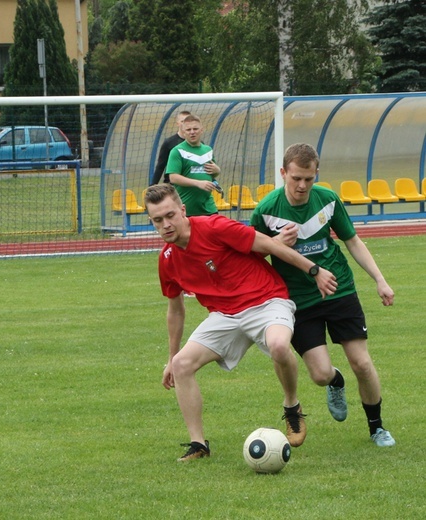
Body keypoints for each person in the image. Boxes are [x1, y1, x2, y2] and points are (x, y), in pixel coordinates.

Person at [144, 184, 338, 462]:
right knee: (182, 365)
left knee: (280, 346)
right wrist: (171, 357)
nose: (166, 224)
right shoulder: (167, 259)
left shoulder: (214, 227)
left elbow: (269, 244)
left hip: (267, 300)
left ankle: (291, 406)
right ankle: (198, 445)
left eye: (170, 215)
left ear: (183, 210)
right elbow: (175, 310)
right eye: (157, 220)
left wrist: (314, 270)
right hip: (224, 316)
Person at [250, 143, 395, 447]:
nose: (302, 186)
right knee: (319, 374)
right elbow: (253, 255)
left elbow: (352, 241)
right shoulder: (266, 211)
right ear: (283, 173)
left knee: (363, 363)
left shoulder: (327, 200)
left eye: (309, 179)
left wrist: (380, 280)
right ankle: (335, 381)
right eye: (296, 179)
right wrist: (277, 242)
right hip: (299, 301)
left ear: (317, 174)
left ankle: (377, 428)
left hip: (339, 289)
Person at [164, 114, 222, 217]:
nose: (192, 132)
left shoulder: (208, 150)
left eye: (195, 129)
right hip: (187, 209)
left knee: (216, 232)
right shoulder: (177, 151)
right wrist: (198, 183)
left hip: (209, 207)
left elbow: (209, 174)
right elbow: (173, 178)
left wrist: (217, 171)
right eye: (188, 129)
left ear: (201, 130)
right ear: (183, 132)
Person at [150, 110, 190, 186]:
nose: (185, 124)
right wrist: (152, 186)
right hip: (172, 187)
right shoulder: (169, 142)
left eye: (187, 121)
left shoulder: (198, 143)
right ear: (177, 123)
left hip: (191, 187)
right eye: (182, 121)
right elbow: (160, 166)